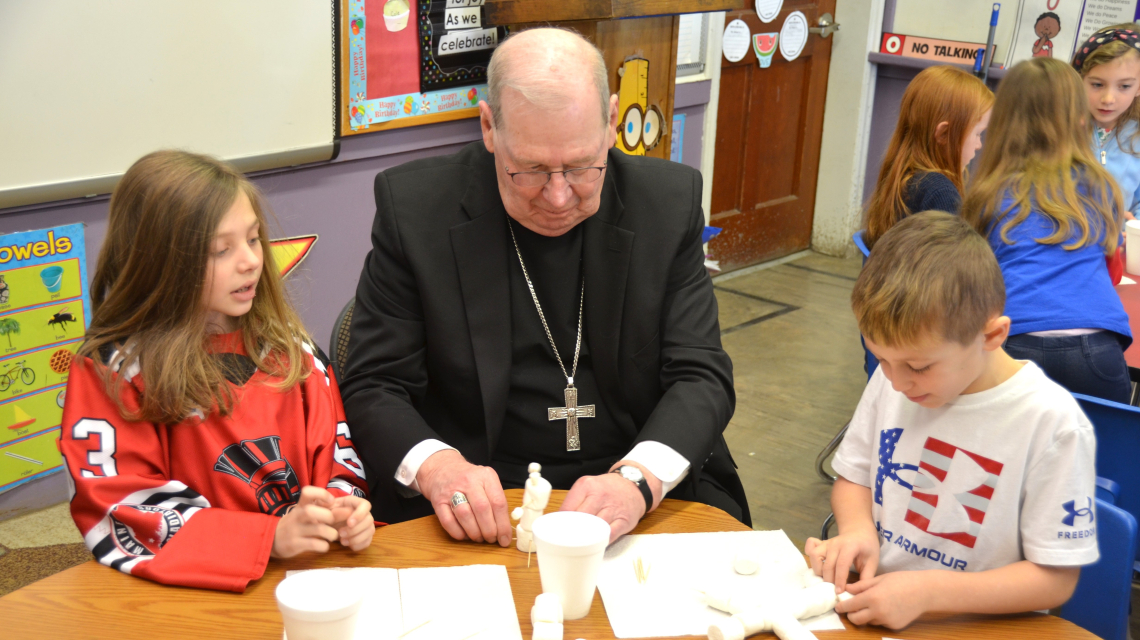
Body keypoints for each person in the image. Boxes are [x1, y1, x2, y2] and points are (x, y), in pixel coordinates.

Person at [340, 28, 748, 544]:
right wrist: (437, 467)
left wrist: (638, 480)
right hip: (482, 494)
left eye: (580, 166)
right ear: (489, 128)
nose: (558, 197)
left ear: (612, 125)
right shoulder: (416, 209)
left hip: (636, 480)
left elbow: (702, 374)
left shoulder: (667, 204)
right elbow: (375, 382)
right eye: (529, 171)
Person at [59, 151, 374, 592]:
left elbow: (338, 458)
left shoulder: (295, 354)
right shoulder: (113, 371)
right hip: (185, 596)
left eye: (252, 239)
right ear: (160, 263)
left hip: (306, 582)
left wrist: (343, 511)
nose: (249, 261)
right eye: (221, 250)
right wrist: (269, 538)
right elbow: (122, 508)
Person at [805, 211, 1096, 629]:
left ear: (992, 335)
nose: (898, 381)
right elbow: (855, 476)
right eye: (882, 359)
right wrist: (856, 530)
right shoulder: (894, 378)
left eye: (918, 367)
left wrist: (927, 592)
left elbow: (1055, 579)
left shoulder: (1051, 422)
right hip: (885, 611)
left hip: (982, 626)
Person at [962, 58, 1131, 403]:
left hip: (1016, 340)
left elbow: (974, 278)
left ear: (1003, 120)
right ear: (1080, 118)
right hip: (1098, 346)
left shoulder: (987, 193)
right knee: (1103, 451)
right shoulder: (1102, 186)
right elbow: (1113, 268)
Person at [862, 66, 993, 249]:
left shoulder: (902, 175)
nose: (979, 145)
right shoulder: (941, 194)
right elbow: (949, 268)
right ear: (944, 134)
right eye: (978, 133)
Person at [1073, 24, 1140, 219]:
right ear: (1079, 79)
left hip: (1117, 244)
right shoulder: (1061, 126)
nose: (1108, 98)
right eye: (1097, 84)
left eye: (1124, 86)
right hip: (1062, 240)